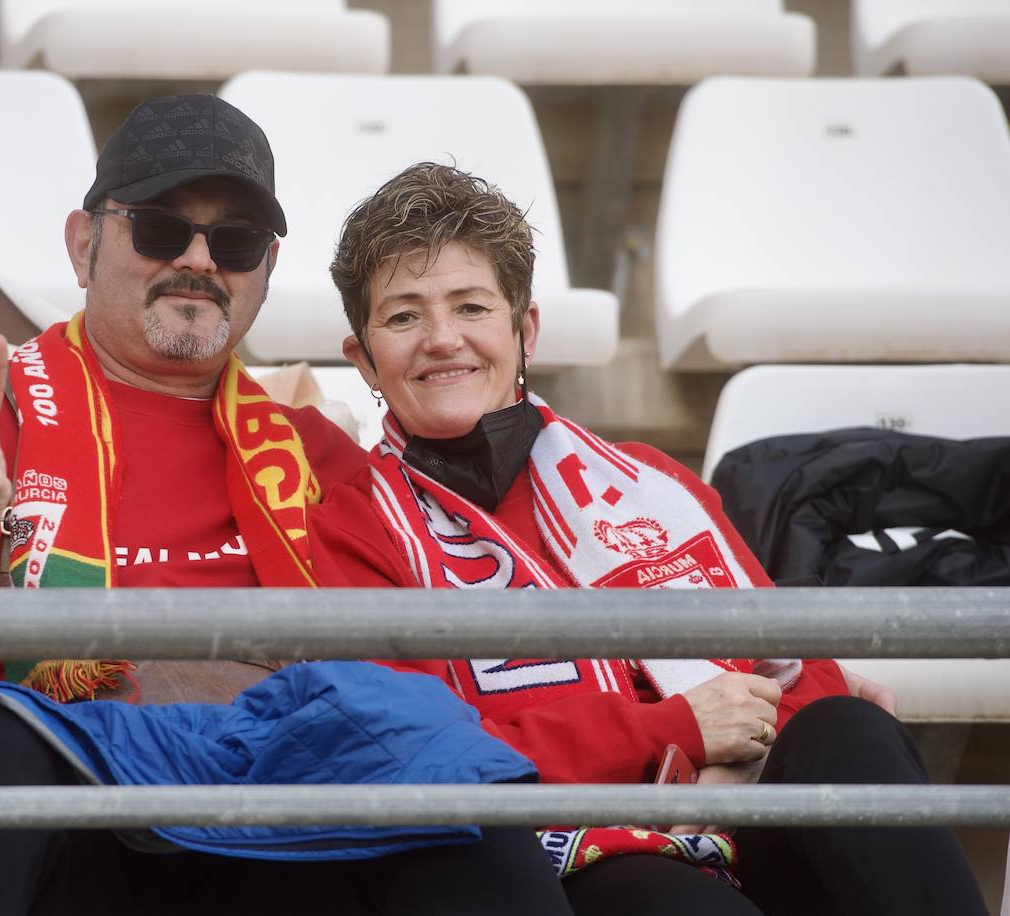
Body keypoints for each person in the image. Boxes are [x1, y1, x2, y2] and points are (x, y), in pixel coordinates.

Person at [0, 98, 568, 916]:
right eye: (158, 228)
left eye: (236, 240)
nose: (198, 259)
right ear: (84, 245)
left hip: (271, 828)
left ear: (265, 268)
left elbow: (401, 687)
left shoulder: (317, 454)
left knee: (444, 764)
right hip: (61, 826)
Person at [307, 161, 989, 916]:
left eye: (471, 306)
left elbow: (808, 671)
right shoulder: (353, 523)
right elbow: (423, 748)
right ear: (363, 359)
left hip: (734, 813)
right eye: (403, 317)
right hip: (566, 854)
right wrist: (676, 734)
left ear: (524, 329)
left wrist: (729, 762)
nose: (442, 340)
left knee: (849, 731)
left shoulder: (647, 479)